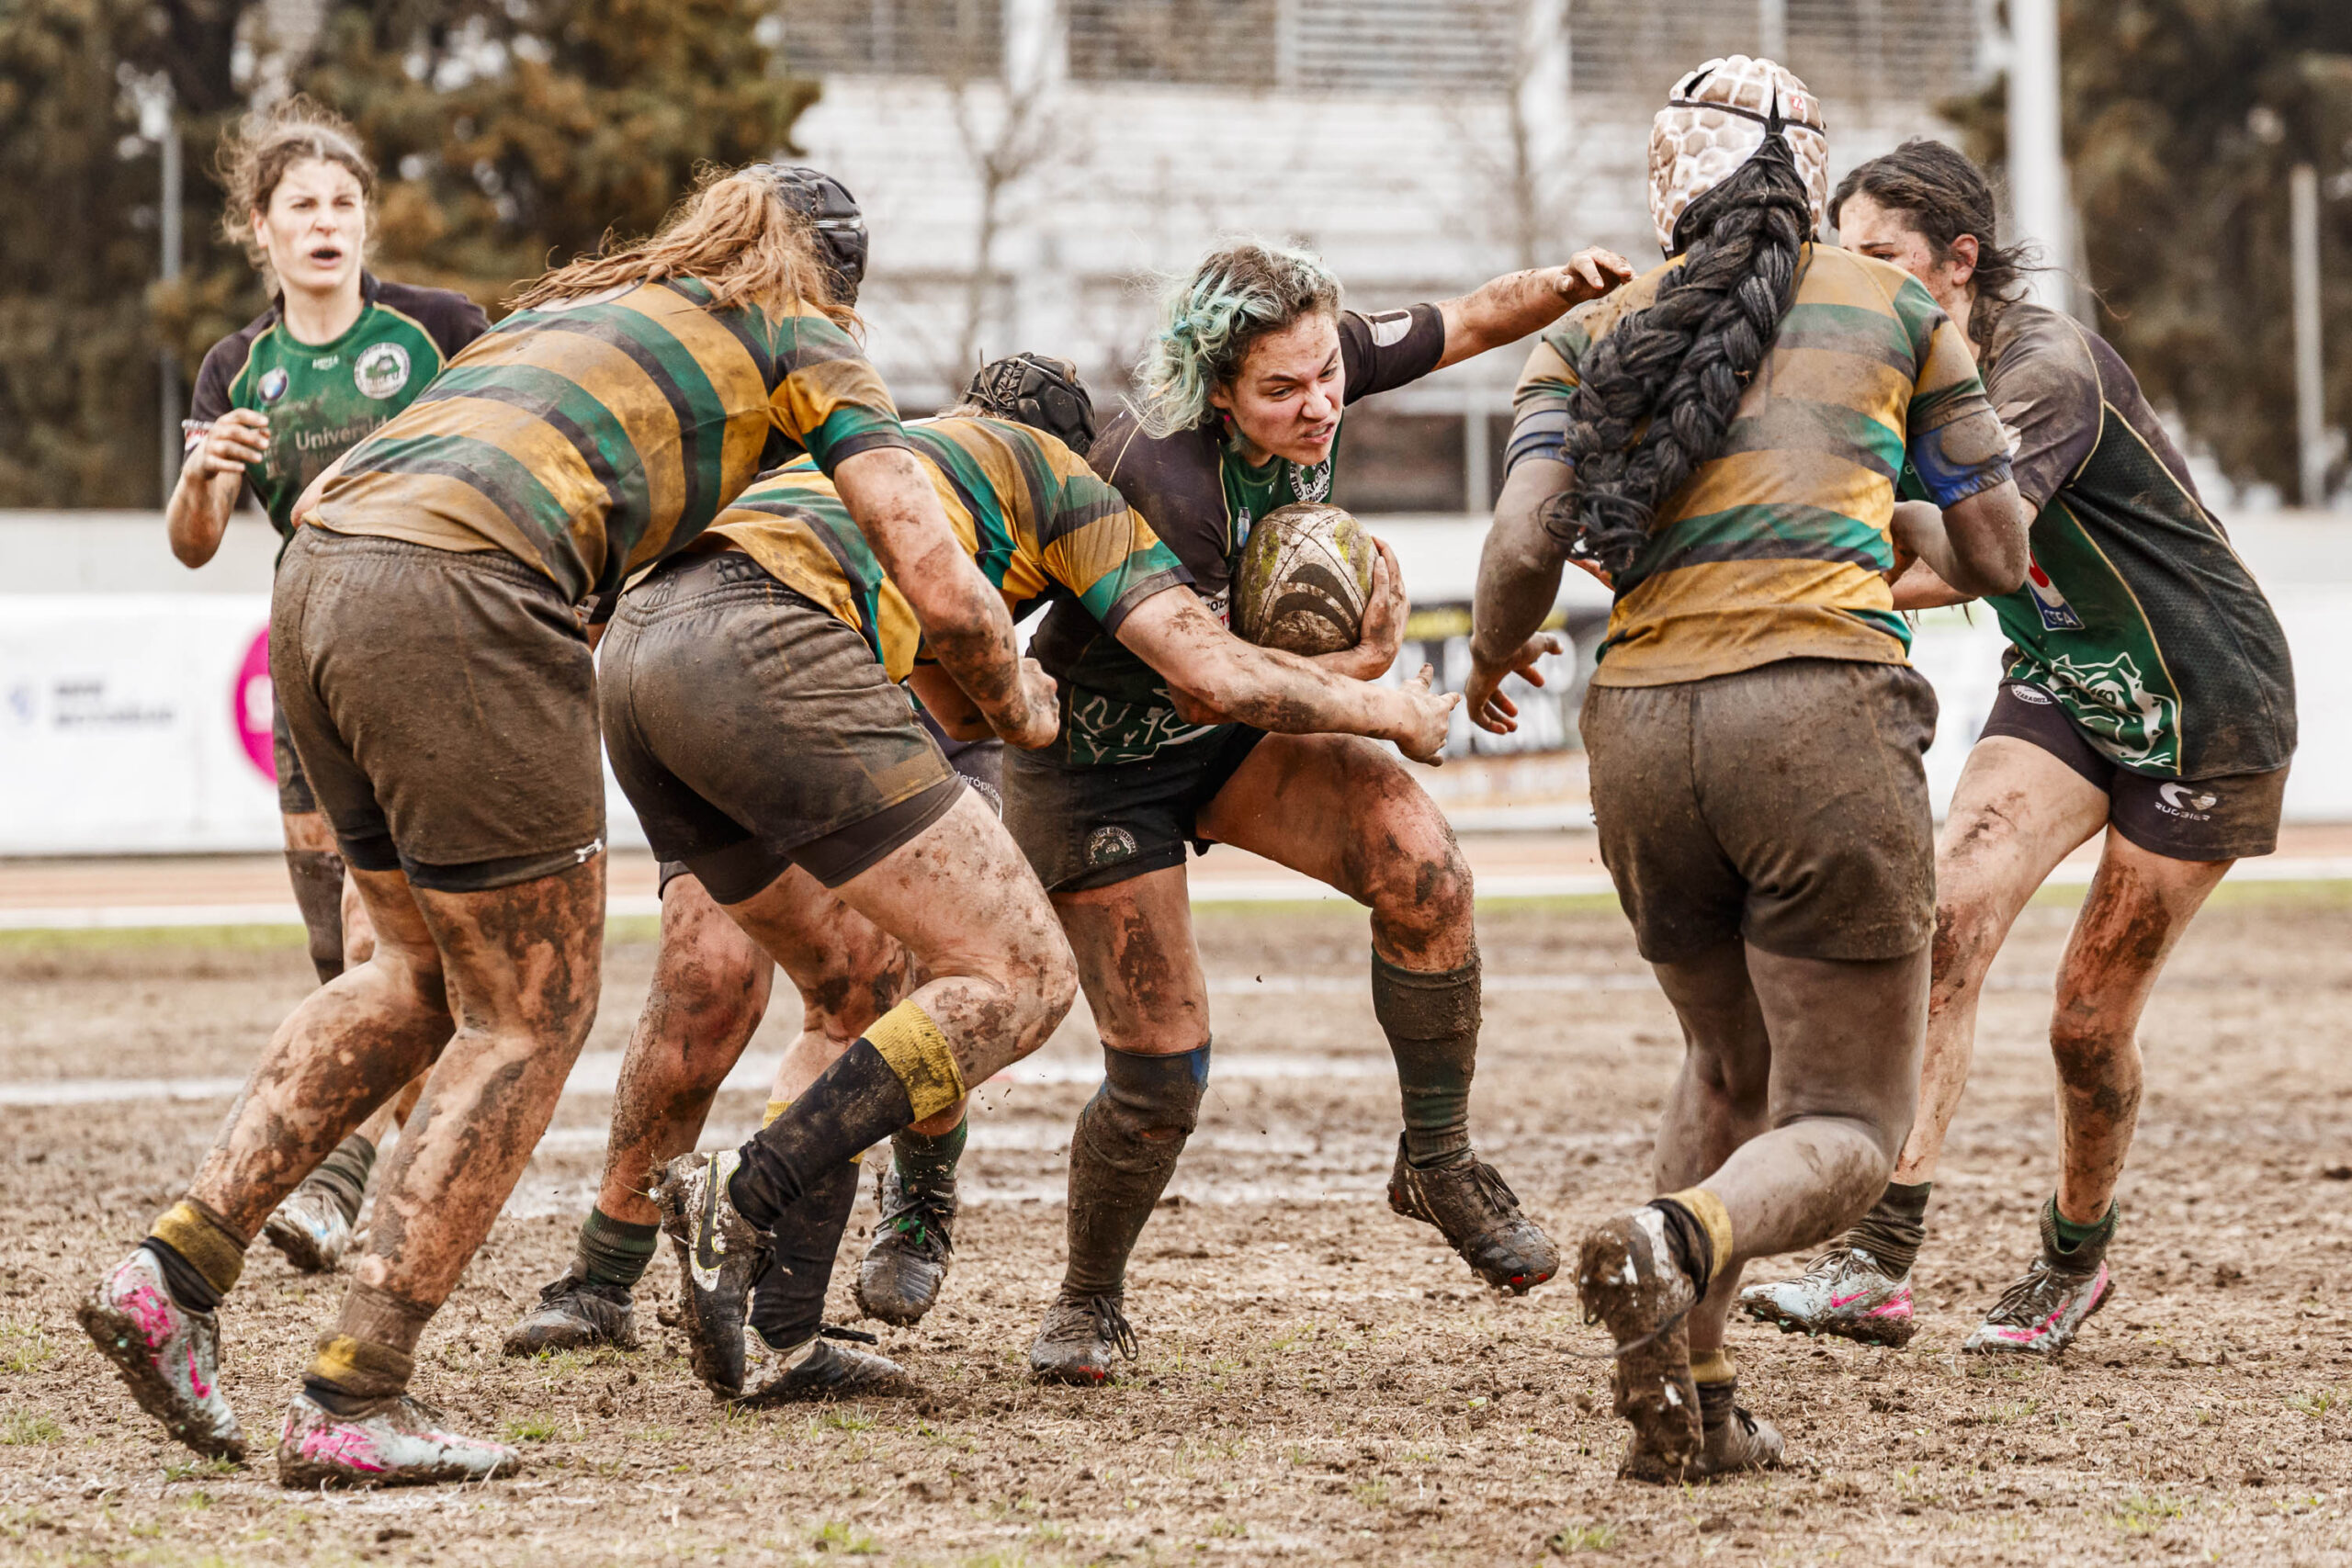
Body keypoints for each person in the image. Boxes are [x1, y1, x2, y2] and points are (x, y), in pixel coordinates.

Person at [80, 162, 1051, 1487]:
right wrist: (1017, 698)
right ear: (836, 280)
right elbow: (938, 578)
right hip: (463, 588)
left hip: (320, 576)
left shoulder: (586, 305)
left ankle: (170, 1271)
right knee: (524, 1012)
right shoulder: (797, 332)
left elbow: (351, 485)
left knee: (413, 974)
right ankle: (353, 1388)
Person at [618, 353, 1459, 1403]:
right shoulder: (1056, 479)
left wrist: (1011, 700)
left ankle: (785, 1334)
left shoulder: (892, 458)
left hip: (642, 652)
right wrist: (1386, 700)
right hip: (769, 643)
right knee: (1021, 975)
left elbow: (955, 700)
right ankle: (747, 1193)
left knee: (846, 994)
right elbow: (1205, 671)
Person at [1468, 58, 2030, 1481]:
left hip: (1642, 729)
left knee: (1725, 1063)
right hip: (1820, 719)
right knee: (1845, 1118)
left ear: (1668, 180)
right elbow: (2002, 550)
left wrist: (1486, 662)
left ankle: (1693, 1400)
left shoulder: (1595, 329)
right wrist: (1911, 514)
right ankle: (1675, 1236)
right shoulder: (1900, 306)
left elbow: (1528, 546)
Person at [1005, 233, 1632, 1385]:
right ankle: (1088, 1298)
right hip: (1102, 765)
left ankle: (1435, 1160)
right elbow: (1213, 675)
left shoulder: (1322, 365)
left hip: (1231, 740)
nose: (1319, 405)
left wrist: (1569, 284)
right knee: (1160, 1071)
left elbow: (1470, 318)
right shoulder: (1168, 477)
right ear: (1217, 386)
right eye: (1282, 390)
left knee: (1423, 866)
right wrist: (1378, 680)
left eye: (1326, 375)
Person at [1737, 139, 2297, 1357]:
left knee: (2085, 1023)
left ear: (1959, 259)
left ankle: (2071, 1256)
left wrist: (1811, 518)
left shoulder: (2039, 368)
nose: (1859, 280)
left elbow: (1981, 539)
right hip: (2064, 679)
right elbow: (1950, 567)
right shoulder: (1903, 368)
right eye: (1845, 259)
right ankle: (1878, 1262)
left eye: (1878, 255)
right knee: (1946, 923)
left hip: (2207, 705)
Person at [167, 98, 487, 1274]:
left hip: (435, 660)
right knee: (340, 953)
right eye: (300, 204)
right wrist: (206, 473)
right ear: (261, 229)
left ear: (366, 223)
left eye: (343, 202)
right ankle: (393, 1191)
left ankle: (339, 1179)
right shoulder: (236, 367)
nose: (325, 222)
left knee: (385, 932)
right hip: (312, 666)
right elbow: (195, 541)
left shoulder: (444, 330)